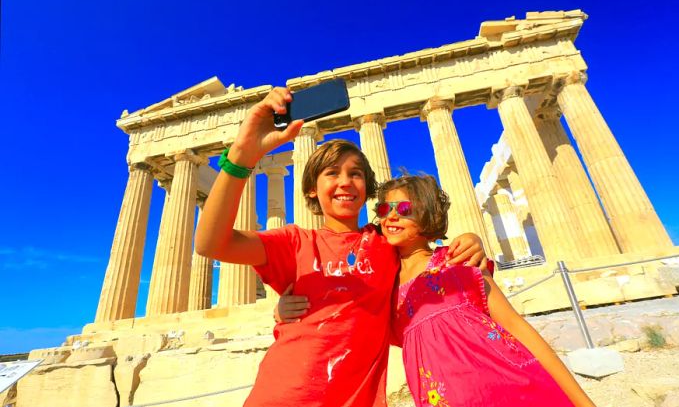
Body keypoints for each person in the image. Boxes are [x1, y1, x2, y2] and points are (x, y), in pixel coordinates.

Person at [194, 87, 486, 407]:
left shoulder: (386, 241)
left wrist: (470, 238)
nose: (345, 181)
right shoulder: (294, 243)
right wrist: (241, 156)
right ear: (310, 190)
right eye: (331, 173)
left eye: (355, 174)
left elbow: (429, 248)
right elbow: (211, 243)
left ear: (367, 187)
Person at [276, 173, 596, 407]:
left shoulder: (460, 265)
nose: (390, 218)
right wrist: (281, 312)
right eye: (384, 212)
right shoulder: (381, 294)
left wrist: (582, 401)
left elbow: (518, 329)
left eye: (402, 210)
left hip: (520, 391)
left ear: (426, 213)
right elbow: (337, 322)